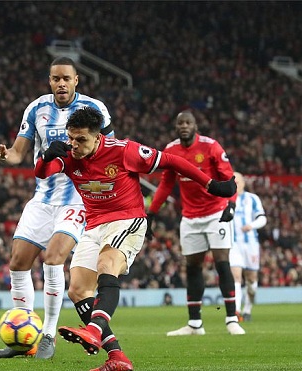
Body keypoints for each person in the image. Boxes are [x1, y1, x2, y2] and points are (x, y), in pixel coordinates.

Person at [35, 106, 237, 371]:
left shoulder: (123, 150)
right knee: (77, 290)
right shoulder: (70, 154)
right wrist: (45, 156)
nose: (74, 145)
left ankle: (95, 329)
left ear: (98, 138)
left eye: (81, 139)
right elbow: (42, 173)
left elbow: (171, 162)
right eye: (71, 138)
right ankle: (117, 357)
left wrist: (210, 185)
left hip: (127, 219)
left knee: (107, 266)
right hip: (93, 224)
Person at [0, 56, 114, 359]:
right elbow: (20, 153)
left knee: (54, 257)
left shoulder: (94, 109)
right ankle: (24, 337)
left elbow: (109, 151)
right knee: (18, 261)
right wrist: (6, 156)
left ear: (76, 81)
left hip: (77, 197)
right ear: (50, 81)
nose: (60, 83)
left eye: (66, 79)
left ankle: (48, 333)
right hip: (43, 198)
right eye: (55, 78)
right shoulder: (36, 109)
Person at [147, 110, 245, 336]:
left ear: (195, 126)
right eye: (180, 122)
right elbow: (165, 185)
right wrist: (151, 212)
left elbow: (228, 177)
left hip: (216, 213)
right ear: (176, 126)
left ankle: (231, 319)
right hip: (190, 217)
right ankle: (194, 324)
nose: (184, 126)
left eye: (188, 122)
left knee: (222, 262)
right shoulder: (171, 150)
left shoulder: (210, 147)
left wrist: (231, 204)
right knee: (192, 267)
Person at [229, 172, 266, 322]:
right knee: (236, 277)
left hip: (250, 244)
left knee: (251, 281)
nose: (235, 184)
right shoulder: (224, 199)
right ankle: (236, 312)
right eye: (232, 181)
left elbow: (262, 218)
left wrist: (251, 225)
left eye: (237, 181)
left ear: (244, 183)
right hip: (233, 244)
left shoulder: (252, 199)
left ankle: (248, 308)